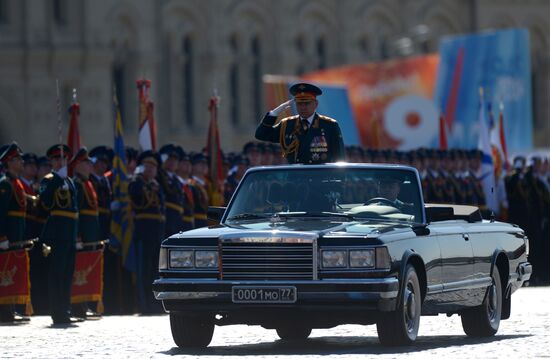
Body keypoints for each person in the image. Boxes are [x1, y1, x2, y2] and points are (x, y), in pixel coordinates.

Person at [39, 144, 81, 325]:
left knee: (67, 273)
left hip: (70, 233)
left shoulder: (70, 181)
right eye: (56, 159)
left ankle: (65, 308)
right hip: (57, 233)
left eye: (63, 159)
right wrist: (57, 180)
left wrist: (77, 235)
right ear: (51, 162)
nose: (60, 162)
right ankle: (57, 311)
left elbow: (75, 209)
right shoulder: (49, 180)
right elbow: (45, 202)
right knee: (56, 274)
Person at [255, 82, 345, 164]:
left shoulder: (329, 125)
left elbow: (339, 158)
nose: (303, 107)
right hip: (295, 179)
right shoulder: (287, 125)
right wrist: (275, 113)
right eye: (299, 104)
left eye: (307, 103)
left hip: (320, 179)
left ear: (316, 104)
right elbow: (261, 134)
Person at [128, 150, 164, 313]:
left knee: (154, 270)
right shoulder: (136, 183)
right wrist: (143, 181)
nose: (150, 170)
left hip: (156, 232)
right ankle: (144, 304)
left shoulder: (156, 185)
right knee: (143, 270)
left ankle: (155, 302)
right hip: (143, 231)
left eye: (153, 167)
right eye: (147, 166)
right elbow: (135, 195)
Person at [69, 147, 102, 319]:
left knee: (88, 272)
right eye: (87, 162)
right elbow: (77, 213)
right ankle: (78, 307)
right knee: (80, 272)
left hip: (91, 235)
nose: (90, 166)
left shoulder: (88, 183)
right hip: (83, 236)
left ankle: (86, 304)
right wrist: (78, 236)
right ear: (78, 165)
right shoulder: (78, 185)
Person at [0, 142, 31, 322]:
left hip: (17, 235)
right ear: (10, 162)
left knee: (12, 271)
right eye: (18, 159)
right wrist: (2, 236)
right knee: (5, 273)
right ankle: (5, 311)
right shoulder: (5, 184)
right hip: (8, 236)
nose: (22, 162)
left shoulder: (16, 183)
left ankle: (10, 308)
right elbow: (1, 213)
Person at [158, 144, 185, 237]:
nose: (172, 162)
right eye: (169, 159)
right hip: (165, 218)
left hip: (177, 220)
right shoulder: (159, 176)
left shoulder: (177, 180)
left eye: (175, 160)